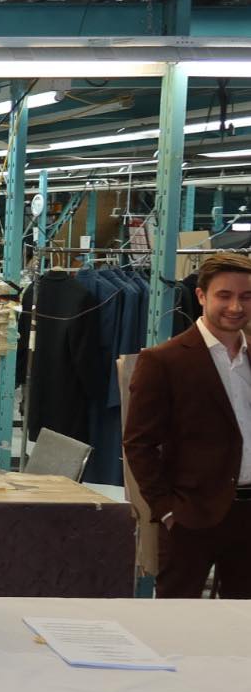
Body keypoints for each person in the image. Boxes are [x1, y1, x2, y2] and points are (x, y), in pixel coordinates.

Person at [124, 252, 251, 599]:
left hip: (248, 515)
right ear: (201, 296)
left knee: (243, 620)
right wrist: (167, 510)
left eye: (246, 296)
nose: (236, 306)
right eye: (224, 295)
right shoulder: (164, 361)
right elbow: (139, 444)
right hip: (192, 514)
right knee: (177, 616)